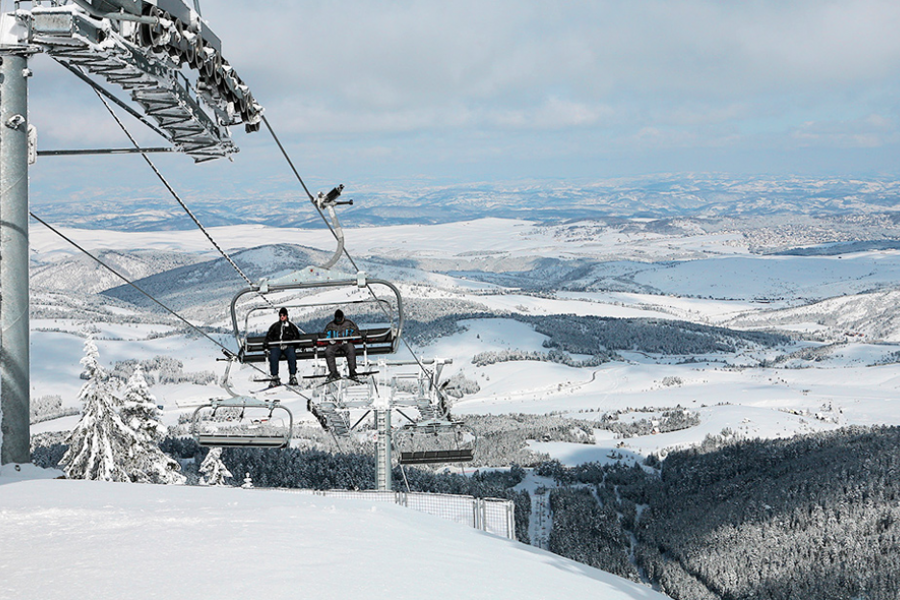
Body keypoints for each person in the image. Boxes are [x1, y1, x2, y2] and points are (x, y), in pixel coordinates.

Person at [265, 307, 301, 387]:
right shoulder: (275, 327)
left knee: (292, 355)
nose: (282, 317)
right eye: (280, 315)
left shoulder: (291, 327)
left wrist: (292, 345)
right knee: (273, 356)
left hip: (288, 346)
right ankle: (275, 376)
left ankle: (292, 375)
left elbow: (296, 338)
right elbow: (268, 337)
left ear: (286, 316)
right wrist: (267, 346)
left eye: (284, 315)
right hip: (277, 346)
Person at [323, 309, 359, 382]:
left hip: (346, 343)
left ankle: (352, 371)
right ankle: (333, 372)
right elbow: (326, 335)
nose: (338, 320)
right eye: (337, 318)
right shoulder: (330, 325)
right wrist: (329, 340)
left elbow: (356, 333)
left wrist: (349, 339)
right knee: (328, 351)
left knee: (351, 349)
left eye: (340, 318)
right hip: (334, 344)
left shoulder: (349, 324)